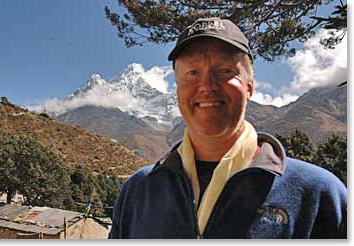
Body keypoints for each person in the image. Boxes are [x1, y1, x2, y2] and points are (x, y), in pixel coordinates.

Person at [109, 17, 347, 239]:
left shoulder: (319, 194)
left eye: (225, 71)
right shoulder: (137, 191)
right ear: (177, 89)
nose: (207, 86)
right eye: (192, 72)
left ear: (250, 87)